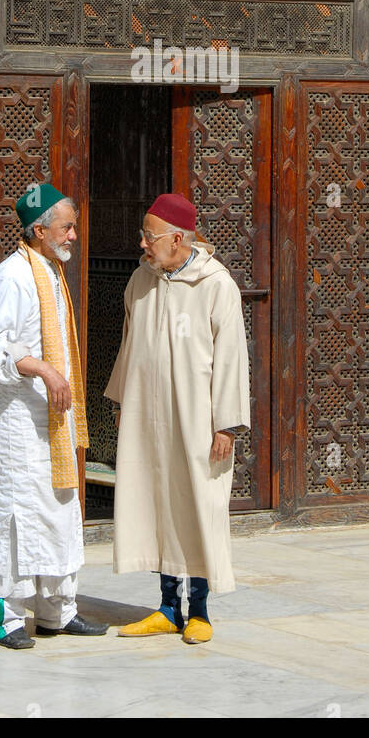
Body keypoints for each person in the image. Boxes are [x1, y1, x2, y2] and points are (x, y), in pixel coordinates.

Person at [105, 192, 250, 644]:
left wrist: (225, 424)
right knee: (156, 504)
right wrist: (121, 402)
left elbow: (230, 359)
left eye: (149, 238)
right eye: (142, 237)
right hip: (148, 418)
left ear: (177, 238)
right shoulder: (140, 282)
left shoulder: (215, 285)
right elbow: (130, 346)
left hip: (198, 423)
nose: (143, 245)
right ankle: (168, 607)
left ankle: (200, 610)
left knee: (197, 508)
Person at [0, 183, 108, 648]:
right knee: (12, 517)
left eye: (73, 227)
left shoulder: (50, 272)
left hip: (52, 421)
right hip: (17, 425)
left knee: (56, 509)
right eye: (66, 227)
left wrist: (56, 377)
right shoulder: (13, 275)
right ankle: (4, 618)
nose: (73, 236)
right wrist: (43, 369)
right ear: (39, 230)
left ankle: (57, 611)